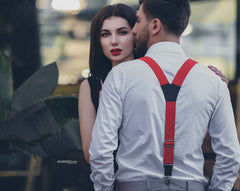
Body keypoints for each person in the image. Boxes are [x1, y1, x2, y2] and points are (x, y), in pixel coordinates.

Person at [89, 0, 240, 191]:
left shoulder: (120, 76)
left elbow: (101, 151)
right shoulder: (213, 81)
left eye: (137, 21)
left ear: (155, 25)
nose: (133, 30)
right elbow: (230, 155)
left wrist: (105, 189)